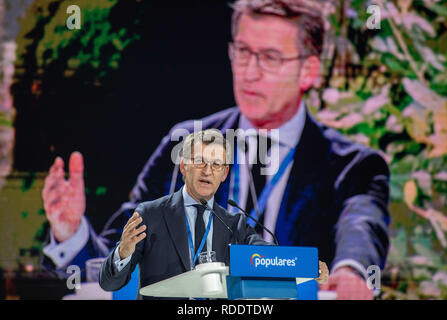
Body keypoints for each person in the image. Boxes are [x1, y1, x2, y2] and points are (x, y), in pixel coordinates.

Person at [41, 0, 389, 299]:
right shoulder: (184, 142)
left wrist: (351, 270)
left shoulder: (353, 168)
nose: (249, 72)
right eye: (242, 52)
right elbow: (116, 261)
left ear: (307, 71)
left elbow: (361, 228)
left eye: (269, 57)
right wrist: (72, 233)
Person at [98, 129, 328, 298]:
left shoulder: (234, 224)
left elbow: (266, 256)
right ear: (183, 166)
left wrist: (308, 266)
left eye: (217, 165)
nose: (208, 171)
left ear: (225, 174)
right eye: (200, 162)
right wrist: (123, 252)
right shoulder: (150, 214)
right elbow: (109, 284)